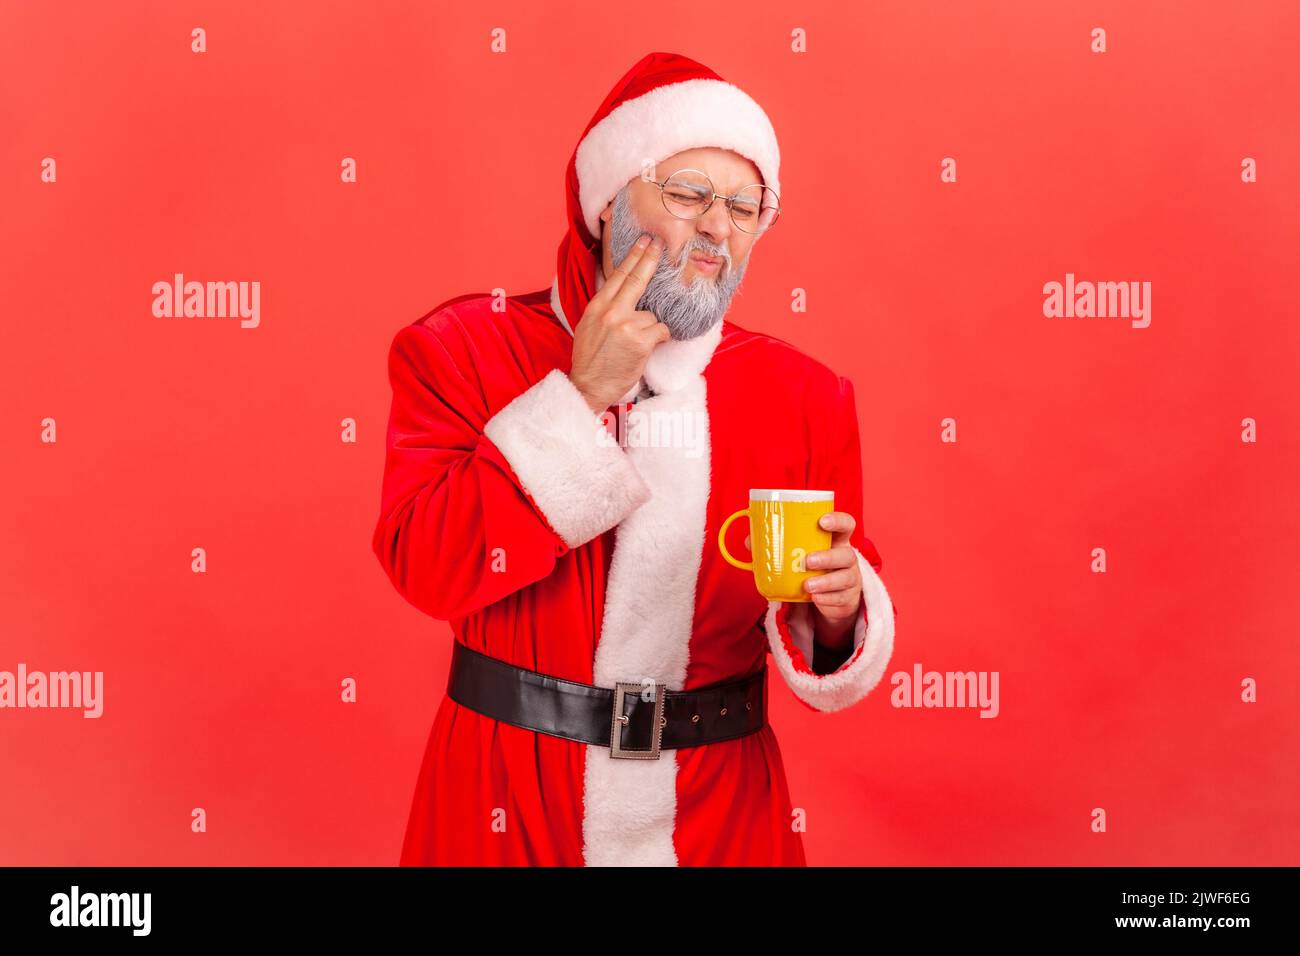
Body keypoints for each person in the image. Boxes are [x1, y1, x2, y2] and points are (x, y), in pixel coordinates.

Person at [371, 51, 897, 866]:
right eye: (687, 194)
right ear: (609, 201)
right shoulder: (463, 349)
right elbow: (429, 566)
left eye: (746, 208)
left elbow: (823, 611)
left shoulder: (803, 393)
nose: (718, 227)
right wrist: (579, 398)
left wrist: (835, 613)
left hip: (722, 812)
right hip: (505, 801)